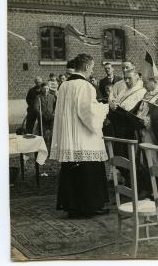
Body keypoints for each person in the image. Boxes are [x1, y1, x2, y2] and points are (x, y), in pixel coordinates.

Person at [50, 53, 110, 218]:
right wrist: (104, 107)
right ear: (86, 67)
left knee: (72, 173)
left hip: (70, 137)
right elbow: (88, 114)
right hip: (83, 139)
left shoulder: (64, 86)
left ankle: (73, 207)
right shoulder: (85, 86)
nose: (92, 71)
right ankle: (90, 207)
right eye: (91, 67)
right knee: (88, 172)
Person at [34, 82, 56, 152]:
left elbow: (55, 106)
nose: (46, 90)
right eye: (44, 89)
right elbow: (36, 108)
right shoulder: (38, 97)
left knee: (52, 135)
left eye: (47, 89)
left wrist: (54, 113)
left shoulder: (52, 97)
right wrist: (41, 114)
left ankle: (51, 150)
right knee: (43, 135)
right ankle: (44, 150)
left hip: (51, 118)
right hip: (42, 119)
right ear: (41, 89)